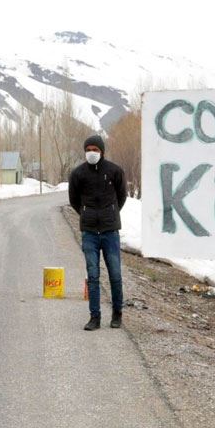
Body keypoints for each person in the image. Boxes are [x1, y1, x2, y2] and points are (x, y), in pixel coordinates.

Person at [67, 134, 127, 330]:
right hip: (90, 232)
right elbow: (74, 200)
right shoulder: (78, 174)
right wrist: (86, 214)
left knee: (115, 275)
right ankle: (95, 317)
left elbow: (122, 196)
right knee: (93, 275)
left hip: (110, 231)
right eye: (89, 149)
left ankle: (117, 314)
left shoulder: (115, 171)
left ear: (102, 152)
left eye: (95, 150)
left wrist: (110, 213)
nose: (92, 153)